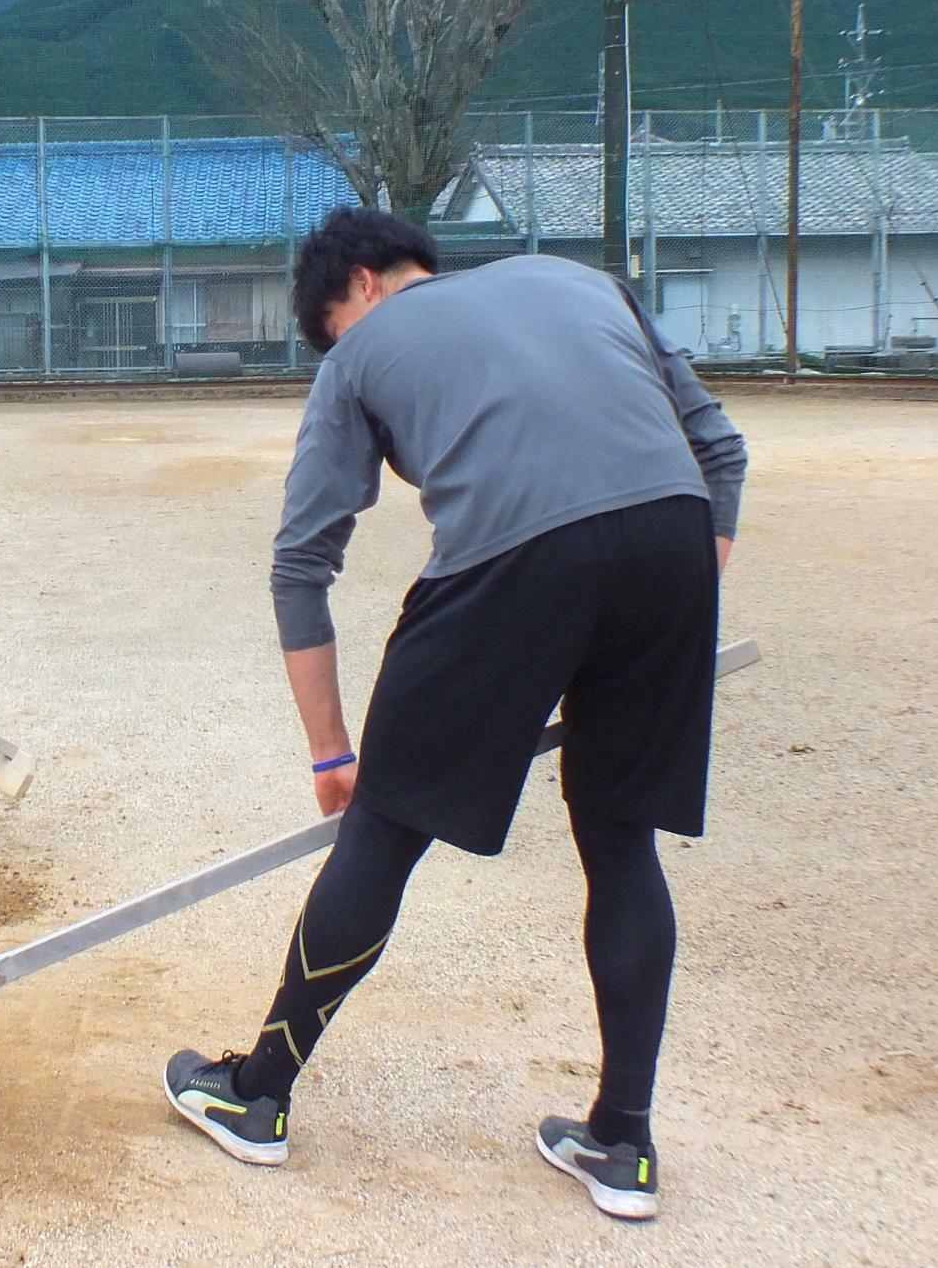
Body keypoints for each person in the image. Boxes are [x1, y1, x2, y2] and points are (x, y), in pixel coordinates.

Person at [162, 207, 747, 1221]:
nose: (338, 353)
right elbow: (719, 453)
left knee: (383, 832)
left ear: (357, 287)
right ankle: (623, 1140)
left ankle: (256, 1094)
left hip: (508, 564)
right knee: (618, 839)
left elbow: (301, 562)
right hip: (672, 542)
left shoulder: (359, 354)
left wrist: (332, 755)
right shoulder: (580, 281)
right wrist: (665, 611)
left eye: (328, 331)